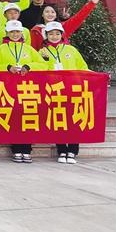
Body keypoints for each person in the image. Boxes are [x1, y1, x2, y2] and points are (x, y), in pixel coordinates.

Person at [0, 20, 46, 164]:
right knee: (14, 118)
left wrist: (29, 66)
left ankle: (27, 150)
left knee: (27, 118)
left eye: (17, 32)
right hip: (8, 88)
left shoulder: (29, 49)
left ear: (22, 33)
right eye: (12, 32)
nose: (15, 34)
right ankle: (16, 149)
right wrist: (7, 67)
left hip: (27, 89)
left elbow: (43, 64)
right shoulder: (1, 49)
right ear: (7, 33)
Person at [39, 21, 89, 164]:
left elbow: (83, 67)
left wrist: (98, 77)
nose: (54, 36)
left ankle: (72, 150)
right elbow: (40, 70)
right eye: (51, 34)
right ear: (46, 36)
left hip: (72, 90)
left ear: (62, 35)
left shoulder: (71, 50)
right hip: (54, 91)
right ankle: (61, 150)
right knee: (59, 120)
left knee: (74, 120)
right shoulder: (42, 52)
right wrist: (45, 60)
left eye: (57, 33)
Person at [30, 0, 100, 51]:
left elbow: (78, 18)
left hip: (65, 59)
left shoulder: (63, 27)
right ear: (42, 14)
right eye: (47, 12)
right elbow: (33, 50)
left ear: (56, 15)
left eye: (52, 12)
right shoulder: (36, 31)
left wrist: (91, 4)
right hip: (46, 61)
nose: (50, 14)